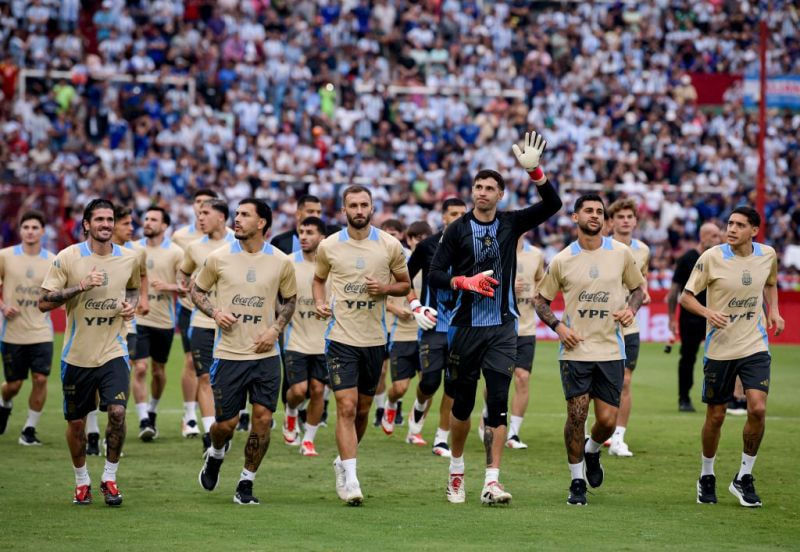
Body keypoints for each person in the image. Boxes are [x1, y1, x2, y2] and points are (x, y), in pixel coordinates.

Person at [429, 131, 562, 505]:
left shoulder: (510, 223)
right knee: (462, 404)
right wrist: (463, 281)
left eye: (490, 187)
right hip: (465, 328)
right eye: (479, 186)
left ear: (500, 194)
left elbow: (553, 204)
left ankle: (491, 481)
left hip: (504, 328)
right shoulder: (455, 230)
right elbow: (437, 272)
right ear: (472, 191)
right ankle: (456, 473)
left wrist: (535, 171)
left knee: (498, 402)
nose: (483, 192)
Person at [535, 193, 645, 506]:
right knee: (576, 414)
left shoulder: (621, 254)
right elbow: (541, 300)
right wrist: (559, 327)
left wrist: (631, 310)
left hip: (611, 349)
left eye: (599, 211)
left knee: (608, 421)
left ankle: (592, 450)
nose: (594, 215)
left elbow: (638, 289)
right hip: (575, 351)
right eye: (588, 211)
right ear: (575, 217)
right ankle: (576, 482)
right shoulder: (562, 259)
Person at [38, 199, 141, 506]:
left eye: (110, 219)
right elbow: (44, 302)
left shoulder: (129, 258)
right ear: (86, 224)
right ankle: (81, 480)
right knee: (76, 424)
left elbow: (133, 287)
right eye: (99, 219)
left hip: (114, 350)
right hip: (77, 356)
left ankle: (109, 478)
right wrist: (79, 286)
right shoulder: (68, 257)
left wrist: (130, 305)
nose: (106, 224)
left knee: (118, 413)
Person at [313, 185, 410, 506]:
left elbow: (404, 285)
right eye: (352, 205)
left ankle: (344, 460)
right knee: (347, 406)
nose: (358, 210)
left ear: (372, 208)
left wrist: (384, 287)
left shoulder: (389, 244)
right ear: (343, 210)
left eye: (363, 204)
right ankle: (351, 479)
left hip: (375, 340)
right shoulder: (329, 246)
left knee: (364, 410)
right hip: (340, 339)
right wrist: (319, 302)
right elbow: (318, 279)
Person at [680, 207, 783, 507]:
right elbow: (686, 297)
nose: (732, 229)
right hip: (719, 349)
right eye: (730, 223)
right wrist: (708, 312)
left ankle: (744, 477)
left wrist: (773, 311)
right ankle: (707, 475)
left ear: (754, 230)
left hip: (754, 345)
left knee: (758, 409)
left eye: (740, 225)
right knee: (716, 416)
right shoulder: (711, 257)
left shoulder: (767, 255)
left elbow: (771, 282)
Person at [197, 198, 297, 505]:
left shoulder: (281, 261)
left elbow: (290, 300)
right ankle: (215, 453)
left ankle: (246, 483)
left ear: (262, 223)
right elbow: (197, 290)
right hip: (229, 354)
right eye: (236, 214)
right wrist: (214, 312)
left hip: (266, 357)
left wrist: (275, 330)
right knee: (225, 424)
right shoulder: (219, 257)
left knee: (263, 420)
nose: (236, 219)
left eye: (244, 215)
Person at [172, 189, 237, 436]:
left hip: (232, 322)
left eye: (206, 213)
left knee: (228, 381)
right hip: (201, 320)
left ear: (221, 217)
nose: (200, 218)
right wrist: (182, 284)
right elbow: (183, 272)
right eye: (199, 213)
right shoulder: (194, 247)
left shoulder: (236, 242)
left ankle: (228, 422)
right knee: (205, 377)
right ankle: (211, 433)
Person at [404, 198, 466, 454]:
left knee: (453, 385)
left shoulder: (476, 246)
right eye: (454, 213)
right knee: (429, 383)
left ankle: (441, 438)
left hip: (461, 329)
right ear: (444, 217)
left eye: (464, 213)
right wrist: (416, 306)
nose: (459, 217)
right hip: (432, 326)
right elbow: (403, 279)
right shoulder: (427, 246)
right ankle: (419, 406)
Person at [479, 236, 545, 450]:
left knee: (522, 378)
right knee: (494, 382)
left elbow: (541, 284)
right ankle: (487, 413)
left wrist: (536, 294)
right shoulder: (492, 252)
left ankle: (513, 433)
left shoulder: (535, 255)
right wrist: (505, 286)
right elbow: (480, 285)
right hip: (498, 326)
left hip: (525, 328)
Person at [0, 211, 55, 445]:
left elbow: (57, 293)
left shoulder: (53, 260)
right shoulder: (5, 256)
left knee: (41, 379)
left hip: (41, 331)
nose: (30, 231)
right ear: (20, 230)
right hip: (12, 331)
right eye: (26, 227)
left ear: (42, 231)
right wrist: (3, 306)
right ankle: (4, 403)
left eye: (35, 227)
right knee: (14, 385)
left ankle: (29, 430)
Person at [132, 206, 184, 440]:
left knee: (159, 371)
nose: (148, 222)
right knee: (140, 367)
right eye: (146, 218)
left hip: (164, 321)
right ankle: (144, 419)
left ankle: (152, 410)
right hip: (138, 319)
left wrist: (169, 286)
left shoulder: (176, 252)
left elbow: (188, 287)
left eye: (154, 219)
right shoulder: (133, 248)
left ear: (164, 226)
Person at [606, 198, 651, 457]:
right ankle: (600, 428)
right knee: (595, 383)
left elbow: (640, 283)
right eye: (619, 217)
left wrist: (643, 295)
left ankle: (619, 437)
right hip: (601, 324)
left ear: (635, 220)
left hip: (629, 325)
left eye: (629, 216)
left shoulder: (643, 250)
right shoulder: (602, 247)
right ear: (611, 222)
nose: (625, 221)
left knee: (625, 381)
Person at [283, 216, 329, 455]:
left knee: (318, 390)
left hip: (324, 342)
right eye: (301, 232)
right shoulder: (288, 263)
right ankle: (291, 412)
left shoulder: (332, 264)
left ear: (322, 237)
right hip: (296, 339)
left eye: (309, 232)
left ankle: (308, 439)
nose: (303, 236)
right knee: (300, 391)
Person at [379, 219, 430, 436]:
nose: (421, 243)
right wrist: (396, 309)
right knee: (400, 387)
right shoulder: (399, 264)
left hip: (427, 334)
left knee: (427, 386)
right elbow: (381, 296)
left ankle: (414, 431)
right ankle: (390, 405)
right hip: (401, 333)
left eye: (425, 240)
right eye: (417, 239)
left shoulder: (435, 264)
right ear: (407, 239)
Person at [667, 222, 722, 412]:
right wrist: (672, 319)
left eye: (718, 236)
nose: (718, 239)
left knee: (720, 358)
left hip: (715, 317)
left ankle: (720, 396)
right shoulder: (687, 259)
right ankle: (684, 398)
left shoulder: (720, 258)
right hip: (691, 317)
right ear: (703, 236)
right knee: (688, 358)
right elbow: (674, 291)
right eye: (714, 236)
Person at [110, 206, 150, 440]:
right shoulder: (99, 252)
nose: (131, 228)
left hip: (128, 322)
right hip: (100, 324)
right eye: (126, 224)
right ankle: (94, 431)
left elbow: (142, 277)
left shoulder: (137, 252)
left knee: (135, 367)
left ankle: (142, 418)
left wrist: (141, 299)